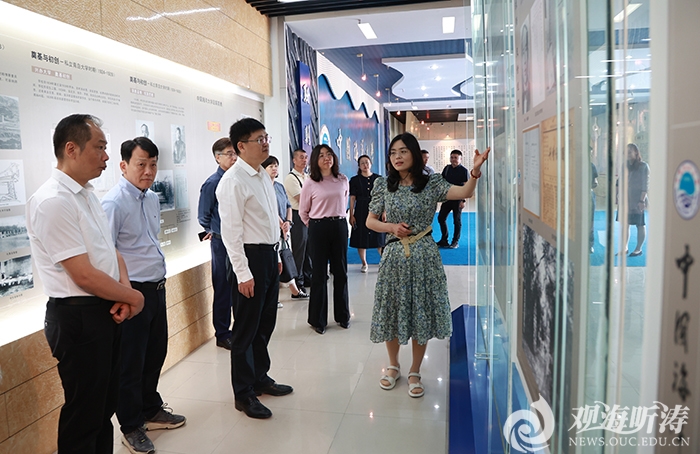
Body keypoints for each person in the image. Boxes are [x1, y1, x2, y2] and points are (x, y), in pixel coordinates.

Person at [26, 114, 145, 453]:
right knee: (84, 415)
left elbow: (110, 252)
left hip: (103, 309)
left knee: (103, 408)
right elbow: (83, 275)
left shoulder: (87, 194)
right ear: (71, 149)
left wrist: (124, 292)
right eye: (100, 147)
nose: (107, 156)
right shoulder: (53, 201)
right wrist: (135, 298)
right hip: (79, 318)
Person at [366, 132, 489, 398]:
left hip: (424, 254)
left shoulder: (431, 183)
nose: (397, 157)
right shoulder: (383, 184)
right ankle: (393, 365)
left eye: (403, 151)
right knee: (392, 310)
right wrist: (391, 227)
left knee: (420, 311)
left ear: (414, 153)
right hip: (394, 256)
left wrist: (475, 172)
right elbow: (370, 221)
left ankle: (415, 370)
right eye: (393, 153)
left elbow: (464, 192)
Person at [102, 137, 186, 453]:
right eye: (141, 164)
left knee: (154, 354)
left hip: (156, 289)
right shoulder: (113, 203)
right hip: (131, 293)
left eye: (153, 164)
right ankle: (131, 425)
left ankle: (150, 409)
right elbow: (106, 254)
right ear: (123, 166)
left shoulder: (151, 198)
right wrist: (122, 294)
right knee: (130, 363)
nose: (148, 171)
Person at [216, 118, 293, 419]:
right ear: (241, 146)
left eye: (266, 137)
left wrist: (276, 254)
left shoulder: (261, 174)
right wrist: (243, 273)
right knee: (245, 330)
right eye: (259, 139)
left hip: (268, 256)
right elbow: (231, 233)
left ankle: (260, 377)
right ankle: (244, 393)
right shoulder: (233, 181)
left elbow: (268, 219)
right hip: (248, 259)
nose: (265, 143)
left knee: (265, 324)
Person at [299, 144, 350, 335]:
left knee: (341, 272)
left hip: (339, 226)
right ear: (315, 160)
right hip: (318, 227)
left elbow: (344, 202)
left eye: (329, 154)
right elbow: (303, 211)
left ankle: (343, 316)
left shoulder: (342, 179)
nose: (326, 158)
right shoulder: (310, 182)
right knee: (319, 274)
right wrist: (315, 226)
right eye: (321, 155)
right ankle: (318, 320)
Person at [198, 137, 238, 350]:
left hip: (238, 242)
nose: (234, 157)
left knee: (238, 286)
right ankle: (222, 333)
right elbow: (203, 215)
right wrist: (213, 230)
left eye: (235, 153)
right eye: (229, 154)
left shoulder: (237, 179)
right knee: (223, 287)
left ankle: (238, 329)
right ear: (217, 157)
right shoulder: (213, 183)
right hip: (221, 243)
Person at [262, 155, 309, 301]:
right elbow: (269, 208)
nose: (274, 168)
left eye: (276, 166)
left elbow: (288, 205)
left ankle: (294, 290)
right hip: (270, 230)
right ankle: (274, 297)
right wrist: (281, 223)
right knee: (274, 263)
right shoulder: (263, 187)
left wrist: (288, 221)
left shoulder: (279, 186)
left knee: (285, 259)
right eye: (271, 166)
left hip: (284, 229)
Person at [349, 154, 385, 273]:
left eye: (367, 162)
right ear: (359, 166)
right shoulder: (355, 180)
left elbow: (383, 196)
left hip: (376, 209)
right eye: (362, 163)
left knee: (379, 237)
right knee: (361, 237)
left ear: (370, 163)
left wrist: (384, 211)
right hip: (361, 210)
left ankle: (384, 262)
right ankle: (364, 263)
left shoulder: (379, 179)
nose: (365, 165)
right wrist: (351, 214)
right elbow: (352, 198)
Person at [283, 149, 312, 292]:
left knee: (308, 249)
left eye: (306, 157)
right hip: (297, 215)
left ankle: (308, 277)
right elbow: (302, 199)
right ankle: (298, 282)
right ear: (294, 160)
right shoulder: (291, 178)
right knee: (299, 250)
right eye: (301, 157)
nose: (304, 160)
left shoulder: (307, 177)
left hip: (309, 214)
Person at [617, 143, 649, 257]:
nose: (628, 154)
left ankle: (638, 249)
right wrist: (617, 195)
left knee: (640, 224)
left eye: (630, 152)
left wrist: (641, 201)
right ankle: (624, 248)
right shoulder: (624, 165)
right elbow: (620, 181)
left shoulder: (643, 166)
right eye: (626, 152)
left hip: (637, 200)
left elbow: (645, 185)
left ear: (636, 152)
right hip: (626, 200)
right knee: (625, 224)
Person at [436, 149, 470, 248]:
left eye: (456, 157)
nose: (453, 159)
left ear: (460, 159)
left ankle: (455, 241)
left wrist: (463, 200)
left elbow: (466, 186)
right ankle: (444, 239)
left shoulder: (464, 171)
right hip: (447, 198)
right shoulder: (447, 168)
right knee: (441, 218)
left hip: (458, 199)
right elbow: (442, 182)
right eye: (452, 157)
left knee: (456, 221)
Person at [590, 161, 599, 253]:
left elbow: (595, 182)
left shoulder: (591, 165)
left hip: (588, 194)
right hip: (574, 194)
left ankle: (590, 244)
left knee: (590, 221)